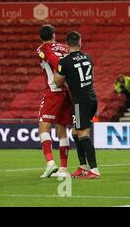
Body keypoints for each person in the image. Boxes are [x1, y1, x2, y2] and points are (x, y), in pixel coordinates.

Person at [54, 31, 100, 179]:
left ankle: (94, 170)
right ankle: (83, 166)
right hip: (92, 96)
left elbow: (57, 81)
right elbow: (92, 76)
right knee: (75, 132)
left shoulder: (65, 61)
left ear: (67, 44)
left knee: (82, 133)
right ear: (80, 42)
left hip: (80, 100)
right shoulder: (88, 57)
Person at [36, 24, 72, 178]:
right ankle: (63, 169)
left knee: (43, 127)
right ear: (54, 35)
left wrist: (60, 77)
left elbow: (55, 62)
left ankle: (50, 163)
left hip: (53, 91)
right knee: (62, 131)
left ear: (41, 37)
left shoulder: (42, 48)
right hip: (67, 93)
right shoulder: (65, 47)